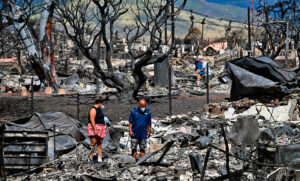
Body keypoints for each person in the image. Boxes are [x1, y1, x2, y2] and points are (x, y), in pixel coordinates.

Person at [87, 95, 106, 163]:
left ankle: (99, 157)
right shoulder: (93, 109)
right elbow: (92, 120)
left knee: (99, 143)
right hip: (94, 127)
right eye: (103, 103)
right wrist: (95, 129)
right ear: (101, 102)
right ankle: (90, 157)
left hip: (101, 127)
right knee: (93, 143)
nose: (104, 104)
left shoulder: (99, 109)